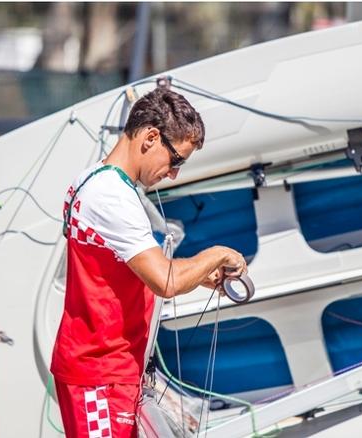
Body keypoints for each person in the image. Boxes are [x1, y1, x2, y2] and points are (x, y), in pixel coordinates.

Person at [51, 87, 247, 438]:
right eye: (176, 160)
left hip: (108, 374)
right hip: (101, 375)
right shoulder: (112, 197)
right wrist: (216, 253)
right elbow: (165, 282)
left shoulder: (93, 181)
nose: (173, 174)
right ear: (151, 137)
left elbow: (125, 266)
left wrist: (201, 274)